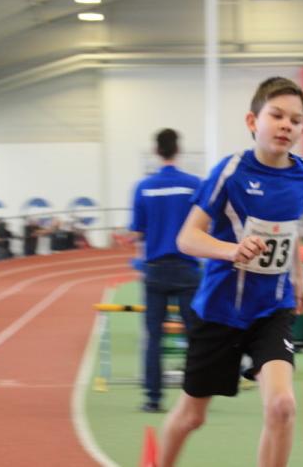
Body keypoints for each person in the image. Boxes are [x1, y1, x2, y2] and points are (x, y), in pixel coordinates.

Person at [160, 77, 303, 467]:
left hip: (271, 309)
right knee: (192, 417)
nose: (286, 125)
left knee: (282, 405)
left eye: (295, 120)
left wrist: (298, 277)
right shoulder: (229, 172)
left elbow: (289, 228)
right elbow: (187, 238)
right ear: (253, 121)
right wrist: (233, 250)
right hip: (220, 311)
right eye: (276, 115)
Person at [130, 128, 202, 413]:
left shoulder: (143, 188)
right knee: (196, 337)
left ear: (156, 151)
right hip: (187, 269)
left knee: (154, 338)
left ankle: (153, 398)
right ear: (178, 149)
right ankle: (198, 394)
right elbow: (205, 225)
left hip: (155, 270)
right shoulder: (194, 185)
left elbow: (138, 233)